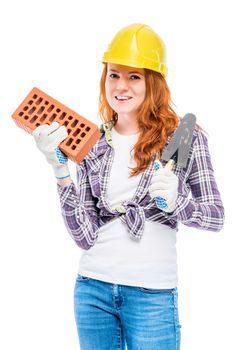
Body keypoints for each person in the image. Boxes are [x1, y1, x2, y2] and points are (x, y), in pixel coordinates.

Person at [32, 23, 224, 350]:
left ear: (154, 82)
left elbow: (215, 217)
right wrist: (61, 171)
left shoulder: (184, 138)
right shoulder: (94, 143)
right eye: (114, 74)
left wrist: (178, 202)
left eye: (134, 76)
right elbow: (85, 235)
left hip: (152, 296)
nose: (121, 86)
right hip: (93, 290)